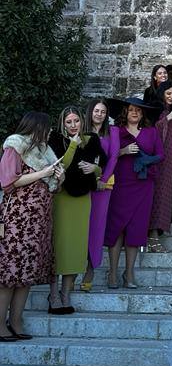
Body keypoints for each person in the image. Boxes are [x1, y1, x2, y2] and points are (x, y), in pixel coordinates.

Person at [0, 112, 62, 340]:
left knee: (26, 274)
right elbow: (7, 182)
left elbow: (52, 186)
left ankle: (16, 322)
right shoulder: (15, 145)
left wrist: (57, 176)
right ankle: (0, 325)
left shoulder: (45, 152)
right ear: (36, 127)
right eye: (47, 128)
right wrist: (43, 173)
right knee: (10, 274)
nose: (49, 132)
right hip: (17, 220)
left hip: (38, 222)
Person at [48, 106, 107, 313]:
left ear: (82, 121)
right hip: (62, 198)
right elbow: (59, 166)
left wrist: (96, 169)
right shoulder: (55, 140)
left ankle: (66, 293)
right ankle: (53, 294)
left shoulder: (92, 139)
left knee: (75, 246)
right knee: (60, 245)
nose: (73, 125)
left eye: (76, 121)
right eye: (68, 122)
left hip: (83, 198)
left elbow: (102, 163)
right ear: (62, 124)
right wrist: (72, 145)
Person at [104, 98, 164, 289]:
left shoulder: (151, 132)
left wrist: (147, 160)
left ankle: (129, 273)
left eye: (138, 110)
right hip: (120, 184)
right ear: (125, 113)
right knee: (116, 228)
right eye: (131, 110)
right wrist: (123, 151)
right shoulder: (115, 132)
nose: (135, 113)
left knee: (136, 229)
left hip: (143, 185)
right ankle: (112, 272)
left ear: (143, 114)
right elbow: (107, 156)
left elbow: (160, 154)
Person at [81, 97, 120, 292]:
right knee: (80, 228)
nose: (99, 114)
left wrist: (103, 179)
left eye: (103, 112)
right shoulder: (81, 130)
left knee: (96, 228)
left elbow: (113, 157)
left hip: (102, 187)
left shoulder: (112, 132)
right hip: (80, 187)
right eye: (96, 111)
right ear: (90, 112)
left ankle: (90, 269)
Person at [147, 81, 172, 250]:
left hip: (169, 163)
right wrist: (168, 118)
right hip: (157, 161)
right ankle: (152, 236)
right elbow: (151, 134)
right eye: (168, 93)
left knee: (165, 198)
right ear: (162, 93)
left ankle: (156, 234)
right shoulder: (155, 110)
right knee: (156, 197)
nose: (171, 97)